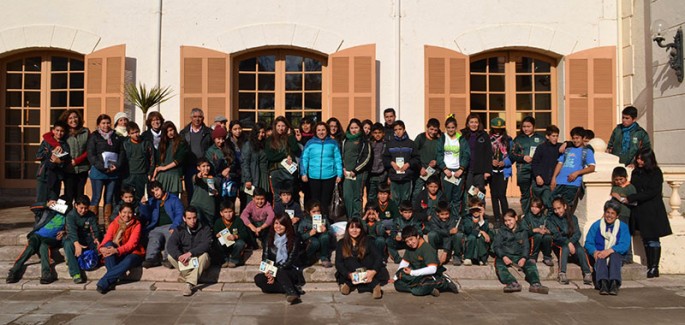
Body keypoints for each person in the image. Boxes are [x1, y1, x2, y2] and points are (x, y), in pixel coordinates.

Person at [618, 148, 672, 278]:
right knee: (646, 238)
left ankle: (654, 267)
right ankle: (650, 266)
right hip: (640, 209)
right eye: (638, 158)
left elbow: (652, 191)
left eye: (641, 159)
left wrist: (633, 198)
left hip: (652, 209)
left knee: (653, 239)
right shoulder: (637, 172)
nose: (638, 161)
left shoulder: (656, 172)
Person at [5, 201, 66, 284]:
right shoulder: (48, 212)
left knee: (44, 247)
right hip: (37, 235)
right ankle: (14, 271)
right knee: (31, 247)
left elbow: (73, 229)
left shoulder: (68, 216)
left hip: (49, 239)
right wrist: (46, 204)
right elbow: (32, 207)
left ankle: (46, 275)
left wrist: (64, 232)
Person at [493, 209, 549, 294]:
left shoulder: (522, 231)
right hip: (506, 255)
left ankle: (535, 283)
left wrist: (523, 257)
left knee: (531, 264)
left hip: (519, 256)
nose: (508, 223)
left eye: (509, 220)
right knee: (499, 265)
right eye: (505, 221)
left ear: (515, 218)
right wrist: (504, 256)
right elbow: (496, 246)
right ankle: (512, 283)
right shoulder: (501, 231)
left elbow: (526, 246)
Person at [393, 226, 459, 297]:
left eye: (411, 239)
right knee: (398, 284)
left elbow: (432, 269)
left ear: (417, 236)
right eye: (407, 241)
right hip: (417, 275)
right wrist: (395, 277)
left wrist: (412, 273)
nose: (410, 243)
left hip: (430, 275)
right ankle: (428, 289)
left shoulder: (427, 248)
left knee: (417, 291)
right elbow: (404, 263)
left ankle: (444, 282)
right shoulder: (409, 248)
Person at [41, 109, 90, 205]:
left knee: (79, 196)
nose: (73, 120)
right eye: (70, 118)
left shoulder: (86, 131)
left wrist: (77, 161)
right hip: (68, 168)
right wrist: (57, 145)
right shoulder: (63, 132)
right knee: (68, 195)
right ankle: (66, 218)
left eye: (75, 117)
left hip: (82, 168)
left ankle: (78, 217)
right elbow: (46, 135)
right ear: (66, 120)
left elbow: (90, 150)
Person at [253, 214, 305, 304]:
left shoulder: (294, 239)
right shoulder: (269, 238)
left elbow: (289, 263)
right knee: (258, 279)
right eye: (276, 223)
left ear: (287, 225)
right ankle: (292, 288)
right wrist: (268, 273)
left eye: (281, 224)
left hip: (289, 271)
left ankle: (291, 293)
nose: (278, 227)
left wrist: (274, 273)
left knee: (281, 270)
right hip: (274, 270)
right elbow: (265, 258)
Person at [585, 200, 631, 295]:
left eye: (612, 213)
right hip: (599, 253)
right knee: (601, 256)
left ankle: (614, 283)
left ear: (617, 216)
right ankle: (603, 284)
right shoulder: (596, 225)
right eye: (607, 212)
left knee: (614, 256)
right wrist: (594, 251)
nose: (609, 216)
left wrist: (610, 250)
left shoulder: (623, 227)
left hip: (616, 253)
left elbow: (624, 244)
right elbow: (588, 242)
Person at [96, 203, 145, 294]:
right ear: (119, 213)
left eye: (129, 213)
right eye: (124, 212)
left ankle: (104, 282)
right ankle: (113, 279)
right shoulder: (114, 223)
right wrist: (101, 248)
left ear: (133, 214)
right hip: (116, 251)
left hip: (133, 252)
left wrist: (117, 250)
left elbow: (132, 244)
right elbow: (107, 238)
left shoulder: (136, 224)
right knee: (108, 245)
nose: (126, 215)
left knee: (129, 260)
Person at [87, 114, 125, 227]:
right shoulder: (94, 136)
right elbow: (91, 154)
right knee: (96, 197)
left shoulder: (116, 136)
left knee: (109, 198)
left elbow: (121, 152)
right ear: (99, 124)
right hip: (99, 171)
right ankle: (93, 224)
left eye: (108, 123)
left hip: (112, 172)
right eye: (103, 123)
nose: (106, 125)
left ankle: (108, 223)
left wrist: (117, 166)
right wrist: (102, 167)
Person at [335, 218, 388, 299]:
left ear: (361, 229)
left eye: (357, 227)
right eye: (352, 227)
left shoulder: (368, 240)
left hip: (367, 269)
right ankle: (374, 284)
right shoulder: (341, 243)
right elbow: (338, 263)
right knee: (349, 260)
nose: (354, 230)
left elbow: (378, 257)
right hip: (350, 272)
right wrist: (349, 275)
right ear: (347, 229)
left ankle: (349, 284)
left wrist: (373, 272)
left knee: (368, 258)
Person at [166, 206, 212, 296]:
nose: (192, 221)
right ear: (184, 218)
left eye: (194, 218)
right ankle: (189, 276)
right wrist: (179, 256)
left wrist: (191, 253)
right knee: (170, 256)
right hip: (186, 261)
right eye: (189, 218)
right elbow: (171, 245)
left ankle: (189, 283)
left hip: (199, 258)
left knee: (205, 256)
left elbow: (206, 244)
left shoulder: (205, 228)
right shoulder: (179, 229)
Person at [300, 121, 343, 217]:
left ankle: (325, 220)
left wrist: (339, 174)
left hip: (329, 176)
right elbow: (304, 159)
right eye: (319, 130)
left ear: (327, 131)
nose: (321, 132)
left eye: (323, 130)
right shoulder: (310, 143)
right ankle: (314, 221)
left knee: (325, 201)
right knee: (315, 201)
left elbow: (338, 159)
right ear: (315, 131)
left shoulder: (333, 143)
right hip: (313, 176)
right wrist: (303, 173)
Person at [139, 181, 185, 269]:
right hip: (156, 227)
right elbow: (146, 216)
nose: (155, 193)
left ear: (162, 189)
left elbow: (179, 213)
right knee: (154, 237)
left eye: (157, 190)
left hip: (170, 225)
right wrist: (144, 205)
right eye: (152, 192)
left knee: (170, 235)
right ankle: (151, 258)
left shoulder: (173, 199)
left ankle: (168, 259)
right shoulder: (152, 201)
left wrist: (174, 226)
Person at [548, 197, 592, 285]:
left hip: (572, 241)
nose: (557, 211)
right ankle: (562, 273)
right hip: (559, 241)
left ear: (564, 206)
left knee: (580, 249)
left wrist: (571, 242)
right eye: (555, 209)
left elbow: (577, 233)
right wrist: (567, 243)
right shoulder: (551, 219)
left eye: (559, 208)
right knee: (564, 248)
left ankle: (587, 272)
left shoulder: (573, 218)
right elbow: (556, 234)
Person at [551, 126, 596, 210]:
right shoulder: (568, 149)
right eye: (573, 138)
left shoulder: (587, 151)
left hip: (572, 184)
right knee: (553, 206)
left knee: (566, 208)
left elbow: (592, 167)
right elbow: (560, 163)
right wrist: (554, 178)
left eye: (577, 138)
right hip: (560, 182)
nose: (575, 140)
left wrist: (577, 173)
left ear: (583, 138)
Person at [436, 115, 470, 217]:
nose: (451, 130)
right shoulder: (442, 138)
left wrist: (461, 169)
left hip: (458, 172)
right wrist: (444, 168)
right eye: (449, 127)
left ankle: (455, 218)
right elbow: (438, 154)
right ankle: (446, 217)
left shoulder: (461, 139)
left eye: (453, 127)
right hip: (447, 172)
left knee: (457, 197)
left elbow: (466, 155)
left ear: (456, 127)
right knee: (447, 197)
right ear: (446, 128)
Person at [63, 195, 102, 284]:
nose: (83, 210)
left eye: (86, 208)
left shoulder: (91, 215)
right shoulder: (70, 216)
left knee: (98, 247)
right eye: (81, 208)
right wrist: (77, 244)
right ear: (76, 205)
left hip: (86, 237)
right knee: (68, 244)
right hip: (72, 238)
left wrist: (96, 239)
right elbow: (71, 231)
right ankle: (75, 273)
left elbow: (95, 229)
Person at [511, 116, 545, 213]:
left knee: (537, 193)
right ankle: (526, 215)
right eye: (524, 126)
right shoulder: (518, 139)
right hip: (523, 170)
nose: (526, 129)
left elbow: (546, 154)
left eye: (528, 126)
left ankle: (538, 215)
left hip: (537, 171)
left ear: (533, 126)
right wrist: (523, 157)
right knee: (525, 194)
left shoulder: (541, 139)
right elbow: (512, 154)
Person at [264, 116, 301, 203]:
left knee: (290, 195)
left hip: (288, 171)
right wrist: (284, 155)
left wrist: (290, 135)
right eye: (279, 126)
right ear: (275, 126)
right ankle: (279, 215)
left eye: (283, 126)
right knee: (277, 196)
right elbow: (270, 156)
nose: (281, 128)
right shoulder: (270, 139)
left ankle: (291, 215)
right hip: (275, 171)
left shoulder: (289, 138)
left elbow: (295, 149)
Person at [180, 108, 213, 200]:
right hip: (189, 167)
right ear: (191, 118)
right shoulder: (183, 133)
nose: (197, 119)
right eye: (195, 117)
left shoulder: (209, 133)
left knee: (207, 193)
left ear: (203, 118)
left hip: (205, 167)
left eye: (199, 117)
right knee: (191, 193)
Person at [383, 120, 420, 203]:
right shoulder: (390, 144)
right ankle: (396, 216)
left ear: (404, 129)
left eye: (400, 129)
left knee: (405, 199)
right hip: (394, 177)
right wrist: (391, 163)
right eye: (395, 130)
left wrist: (408, 164)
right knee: (395, 199)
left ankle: (405, 215)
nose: (398, 131)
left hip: (407, 176)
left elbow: (417, 158)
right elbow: (385, 158)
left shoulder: (411, 144)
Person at [341, 118, 372, 219]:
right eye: (351, 128)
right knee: (347, 196)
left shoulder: (364, 141)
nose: (354, 130)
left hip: (359, 173)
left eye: (356, 128)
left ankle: (357, 219)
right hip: (347, 173)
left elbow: (367, 157)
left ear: (360, 128)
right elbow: (341, 155)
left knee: (357, 197)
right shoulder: (345, 140)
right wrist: (343, 168)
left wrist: (355, 170)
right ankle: (350, 219)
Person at [461, 113, 493, 205]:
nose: (474, 124)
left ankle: (481, 209)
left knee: (480, 191)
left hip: (480, 170)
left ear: (479, 124)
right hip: (468, 169)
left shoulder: (484, 136)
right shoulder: (463, 135)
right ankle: (471, 212)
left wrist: (487, 171)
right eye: (471, 122)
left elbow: (488, 154)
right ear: (467, 124)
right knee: (470, 190)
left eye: (476, 122)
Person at [36, 121, 71, 203]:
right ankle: (39, 216)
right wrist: (51, 152)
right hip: (43, 175)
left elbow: (66, 162)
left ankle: (50, 216)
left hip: (56, 177)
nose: (59, 133)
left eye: (62, 131)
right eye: (57, 130)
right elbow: (38, 155)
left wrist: (59, 162)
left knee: (53, 201)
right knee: (41, 201)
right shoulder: (46, 142)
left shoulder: (65, 145)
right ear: (53, 131)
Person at [152, 121, 188, 198]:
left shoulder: (181, 142)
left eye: (171, 130)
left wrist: (164, 168)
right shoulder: (163, 143)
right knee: (160, 200)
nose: (170, 133)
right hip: (162, 176)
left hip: (174, 175)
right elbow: (158, 160)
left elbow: (179, 160)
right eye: (167, 131)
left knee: (172, 199)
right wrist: (154, 174)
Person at [205, 126, 239, 204]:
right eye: (218, 139)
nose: (221, 141)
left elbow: (234, 162)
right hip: (218, 180)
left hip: (230, 180)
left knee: (230, 203)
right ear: (214, 139)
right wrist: (221, 173)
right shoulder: (210, 151)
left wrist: (229, 169)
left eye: (223, 139)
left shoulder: (229, 148)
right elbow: (211, 166)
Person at [121, 122, 155, 201]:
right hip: (129, 176)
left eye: (137, 132)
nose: (136, 134)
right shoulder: (126, 144)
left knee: (141, 198)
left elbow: (152, 159)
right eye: (132, 133)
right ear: (129, 134)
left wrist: (150, 173)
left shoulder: (146, 143)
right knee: (128, 198)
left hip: (142, 175)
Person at [488, 117, 513, 226]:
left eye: (500, 129)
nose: (497, 131)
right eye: (495, 129)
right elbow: (484, 154)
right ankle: (497, 218)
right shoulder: (488, 139)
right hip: (492, 171)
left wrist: (505, 162)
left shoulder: (508, 139)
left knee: (502, 194)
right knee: (494, 195)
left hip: (504, 170)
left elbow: (513, 155)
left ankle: (506, 218)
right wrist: (490, 161)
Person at [610, 166, 637, 264]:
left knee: (625, 235)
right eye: (616, 179)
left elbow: (634, 202)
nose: (619, 181)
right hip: (616, 215)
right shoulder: (615, 187)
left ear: (626, 177)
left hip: (625, 214)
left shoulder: (630, 188)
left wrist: (621, 198)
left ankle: (628, 256)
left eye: (621, 179)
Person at [531, 125, 562, 209]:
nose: (555, 138)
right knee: (536, 204)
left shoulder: (559, 147)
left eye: (557, 136)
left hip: (551, 182)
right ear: (547, 136)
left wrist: (566, 144)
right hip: (539, 181)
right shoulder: (541, 148)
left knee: (549, 203)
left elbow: (570, 144)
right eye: (553, 136)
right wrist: (537, 175)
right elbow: (534, 163)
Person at [212, 200, 248, 268]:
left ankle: (234, 260)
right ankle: (224, 260)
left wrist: (236, 236)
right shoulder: (218, 222)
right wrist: (217, 235)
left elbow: (245, 234)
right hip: (223, 245)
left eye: (230, 211)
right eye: (225, 212)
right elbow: (214, 234)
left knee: (241, 243)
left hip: (235, 244)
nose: (228, 214)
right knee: (217, 243)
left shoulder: (238, 220)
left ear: (233, 211)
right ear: (221, 213)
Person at [412, 118, 441, 201]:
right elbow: (414, 154)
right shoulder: (421, 138)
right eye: (431, 129)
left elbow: (442, 154)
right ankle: (415, 210)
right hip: (422, 170)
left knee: (433, 192)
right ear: (427, 128)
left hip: (433, 171)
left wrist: (437, 161)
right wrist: (420, 168)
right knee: (417, 192)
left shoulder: (439, 140)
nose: (433, 132)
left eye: (435, 130)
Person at [458, 197, 492, 266]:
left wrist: (481, 217)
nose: (476, 212)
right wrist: (481, 232)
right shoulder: (467, 218)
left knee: (481, 238)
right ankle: (468, 257)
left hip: (479, 241)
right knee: (472, 237)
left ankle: (481, 258)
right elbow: (468, 230)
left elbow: (485, 230)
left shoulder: (485, 219)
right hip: (469, 238)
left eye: (478, 210)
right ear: (470, 210)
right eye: (474, 210)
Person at [241, 122, 270, 204]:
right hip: (254, 176)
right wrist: (248, 179)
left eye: (263, 132)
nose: (261, 134)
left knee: (264, 200)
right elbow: (245, 163)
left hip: (265, 176)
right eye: (259, 132)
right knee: (253, 201)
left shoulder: (265, 144)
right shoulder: (248, 145)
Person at [298, 201, 333, 267]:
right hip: (311, 239)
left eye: (318, 211)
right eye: (314, 212)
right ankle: (307, 258)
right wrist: (309, 234)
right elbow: (299, 236)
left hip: (321, 237)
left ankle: (324, 258)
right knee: (315, 243)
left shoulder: (323, 218)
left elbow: (331, 232)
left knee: (325, 237)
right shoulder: (304, 221)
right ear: (309, 212)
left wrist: (326, 230)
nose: (316, 213)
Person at [522, 197, 554, 266]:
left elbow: (552, 229)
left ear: (541, 207)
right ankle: (533, 257)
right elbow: (523, 231)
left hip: (542, 239)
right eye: (532, 207)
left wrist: (546, 230)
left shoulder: (544, 218)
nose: (534, 209)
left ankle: (547, 257)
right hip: (531, 240)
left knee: (548, 237)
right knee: (537, 235)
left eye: (536, 207)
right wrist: (534, 230)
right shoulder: (527, 217)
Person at [427, 201, 460, 265]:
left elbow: (450, 235)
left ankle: (457, 255)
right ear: (437, 213)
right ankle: (433, 256)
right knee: (431, 234)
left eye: (446, 214)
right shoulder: (433, 219)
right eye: (442, 214)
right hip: (438, 238)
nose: (444, 216)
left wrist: (445, 251)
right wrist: (448, 232)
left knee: (458, 235)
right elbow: (436, 230)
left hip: (450, 240)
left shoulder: (452, 219)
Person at [189, 157, 219, 226]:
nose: (206, 168)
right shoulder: (196, 178)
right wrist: (199, 175)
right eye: (203, 166)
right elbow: (195, 178)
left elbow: (215, 192)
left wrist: (216, 192)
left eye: (208, 166)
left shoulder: (214, 179)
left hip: (209, 210)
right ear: (198, 168)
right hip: (197, 206)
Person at [366, 123, 388, 203]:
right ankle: (371, 212)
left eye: (379, 133)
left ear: (383, 133)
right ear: (372, 134)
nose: (377, 135)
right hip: (371, 175)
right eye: (375, 133)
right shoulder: (369, 144)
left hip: (382, 174)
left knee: (382, 195)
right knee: (371, 195)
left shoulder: (386, 144)